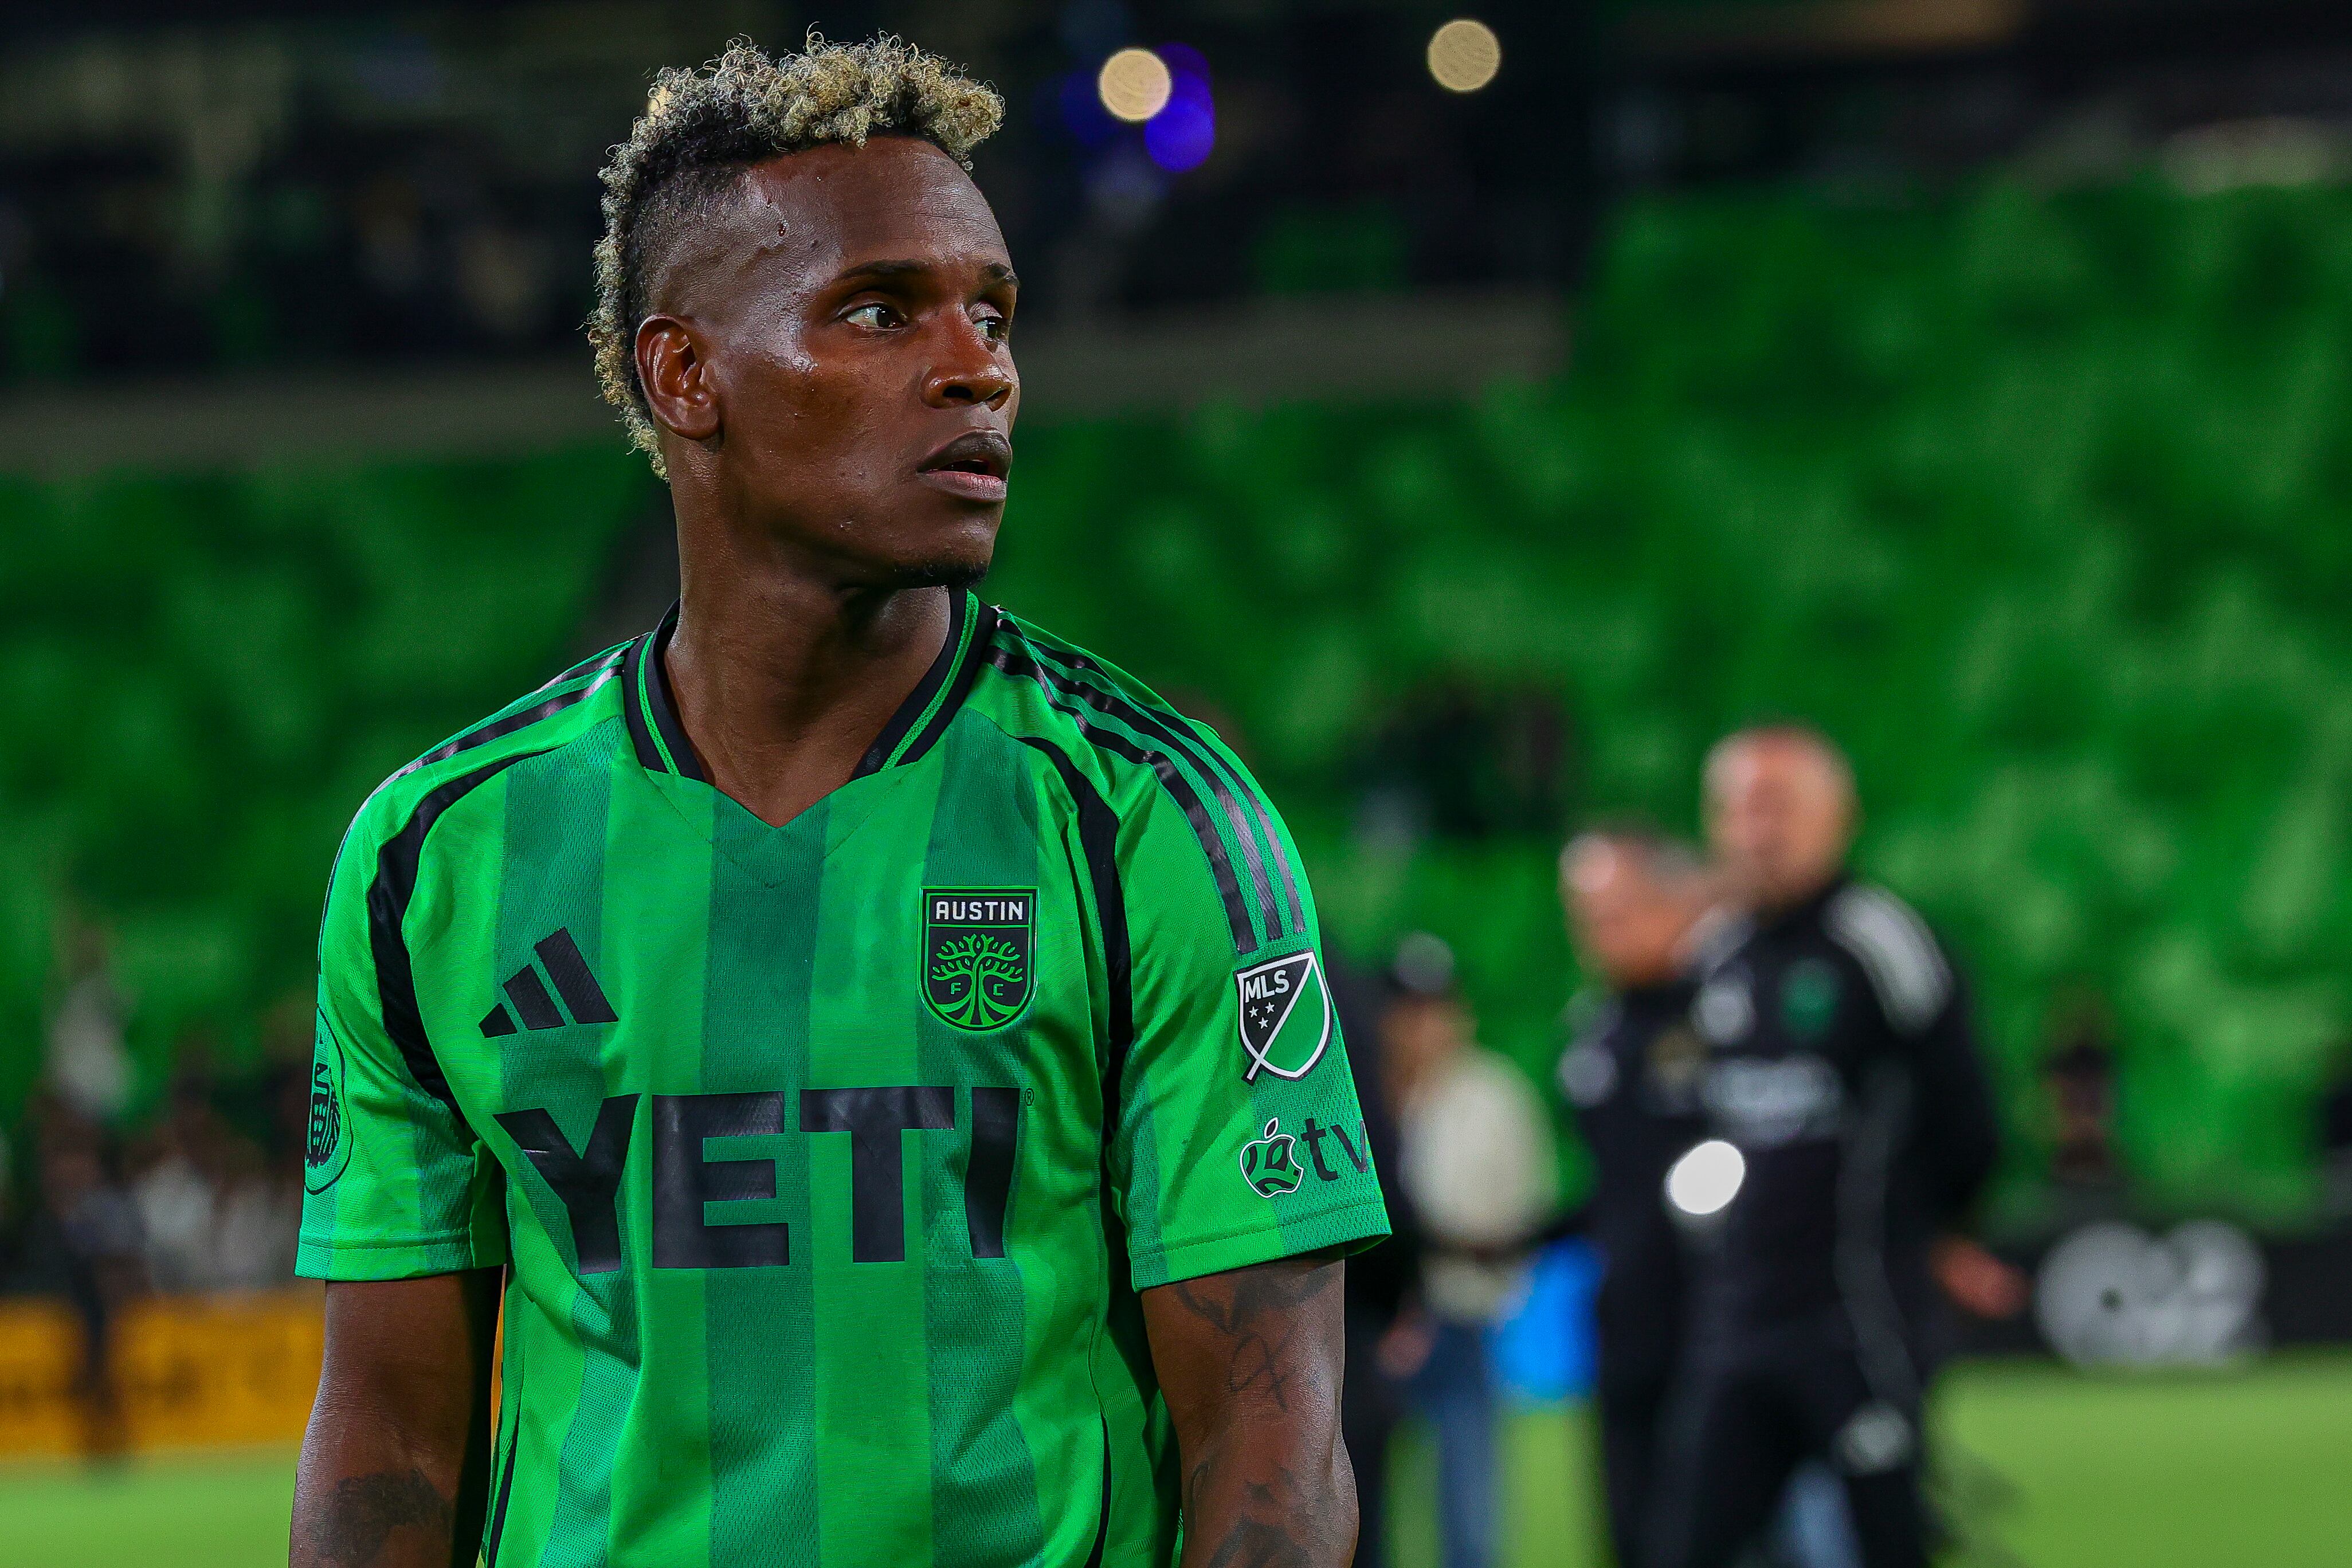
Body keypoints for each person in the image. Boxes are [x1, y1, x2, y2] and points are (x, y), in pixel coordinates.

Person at [290, 37, 1389, 1568]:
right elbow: (391, 1433)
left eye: (992, 310)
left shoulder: (1150, 822)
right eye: (880, 309)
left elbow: (1269, 1440)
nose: (977, 365)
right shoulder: (440, 853)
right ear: (687, 376)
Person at [1649, 726, 2020, 1568]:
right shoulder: (1715, 956)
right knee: (1684, 1547)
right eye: (1738, 810)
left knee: (1888, 1544)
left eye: (1778, 807)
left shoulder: (1879, 941)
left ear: (1838, 818)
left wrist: (1937, 1229)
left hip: (1859, 1320)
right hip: (1735, 1327)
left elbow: (1968, 1114)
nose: (1757, 831)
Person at [1553, 828, 1713, 1568]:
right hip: (1626, 1323)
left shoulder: (1726, 1014)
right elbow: (1613, 1188)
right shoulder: (1597, 1030)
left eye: (1617, 912)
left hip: (1717, 1326)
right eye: (1585, 916)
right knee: (1631, 1531)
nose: (1598, 934)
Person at [1377, 934, 1555, 1568]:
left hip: (1462, 1316)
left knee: (1469, 1508)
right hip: (1367, 1320)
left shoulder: (1496, 1096)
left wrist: (1443, 1244)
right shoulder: (1360, 1093)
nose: (1421, 1023)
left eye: (1435, 1005)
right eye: (1407, 1007)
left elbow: (1527, 1216)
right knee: (1355, 1506)